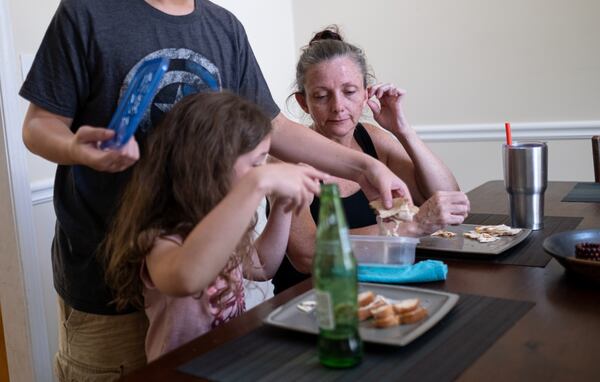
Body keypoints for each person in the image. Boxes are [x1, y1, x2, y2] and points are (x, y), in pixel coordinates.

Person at [20, 1, 409, 380]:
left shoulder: (224, 26)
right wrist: (74, 148)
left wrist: (365, 167)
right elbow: (39, 125)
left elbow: (270, 131)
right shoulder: (86, 12)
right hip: (104, 287)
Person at [102, 91, 326, 362]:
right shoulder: (160, 235)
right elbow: (185, 279)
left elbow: (262, 267)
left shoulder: (223, 217)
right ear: (211, 164)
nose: (261, 169)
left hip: (229, 360)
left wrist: (282, 207)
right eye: (255, 163)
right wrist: (259, 182)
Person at [272, 27, 470, 294]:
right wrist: (413, 226)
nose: (338, 106)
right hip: (311, 300)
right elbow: (308, 255)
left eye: (350, 91)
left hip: (375, 292)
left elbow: (447, 197)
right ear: (303, 102)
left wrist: (403, 130)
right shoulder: (287, 162)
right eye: (321, 96)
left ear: (366, 95)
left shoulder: (373, 139)